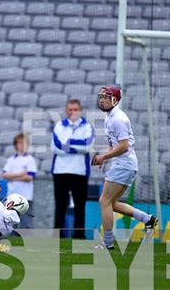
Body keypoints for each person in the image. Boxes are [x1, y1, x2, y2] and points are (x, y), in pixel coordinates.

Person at [92, 86, 158, 250]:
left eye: (106, 97)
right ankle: (148, 219)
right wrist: (105, 159)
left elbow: (123, 147)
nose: (102, 100)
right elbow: (114, 145)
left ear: (115, 100)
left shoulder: (118, 119)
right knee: (112, 203)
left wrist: (103, 157)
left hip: (124, 164)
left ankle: (107, 243)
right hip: (125, 164)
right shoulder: (109, 117)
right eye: (101, 97)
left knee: (104, 201)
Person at [51, 99, 95, 239]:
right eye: (70, 109)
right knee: (60, 204)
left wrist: (68, 143)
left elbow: (88, 147)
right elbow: (56, 147)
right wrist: (77, 147)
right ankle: (58, 234)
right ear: (66, 111)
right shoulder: (59, 125)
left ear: (80, 110)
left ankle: (79, 234)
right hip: (60, 171)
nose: (72, 112)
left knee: (79, 204)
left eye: (75, 109)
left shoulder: (87, 126)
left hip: (80, 171)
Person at [1, 133, 37, 228]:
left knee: (26, 220)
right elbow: (4, 174)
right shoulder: (11, 160)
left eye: (25, 143)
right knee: (12, 219)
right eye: (20, 143)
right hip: (12, 195)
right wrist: (20, 174)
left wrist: (12, 177)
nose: (22, 145)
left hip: (26, 195)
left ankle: (26, 238)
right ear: (16, 145)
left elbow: (29, 177)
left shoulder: (30, 160)